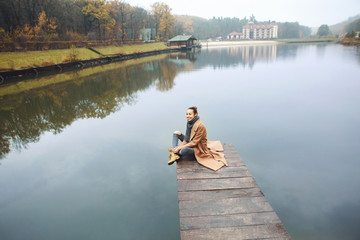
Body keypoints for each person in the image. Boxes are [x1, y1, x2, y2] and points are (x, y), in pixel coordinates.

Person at [168, 106, 228, 171]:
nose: (188, 116)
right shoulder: (189, 122)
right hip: (190, 141)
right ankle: (174, 153)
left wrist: (180, 147)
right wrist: (180, 146)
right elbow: (186, 139)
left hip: (198, 147)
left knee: (183, 150)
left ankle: (175, 151)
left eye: (190, 114)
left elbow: (194, 143)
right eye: (187, 114)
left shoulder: (200, 126)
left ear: (195, 114)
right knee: (176, 133)